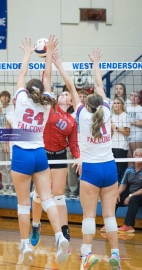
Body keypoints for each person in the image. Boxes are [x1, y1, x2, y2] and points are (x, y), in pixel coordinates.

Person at [52, 48, 121, 270]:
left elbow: (71, 87)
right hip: (109, 168)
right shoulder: (107, 112)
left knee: (89, 216)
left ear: (86, 104)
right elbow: (100, 86)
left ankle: (86, 256)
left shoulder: (81, 113)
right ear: (100, 104)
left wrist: (59, 65)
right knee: (109, 216)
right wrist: (96, 63)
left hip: (90, 170)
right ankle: (116, 255)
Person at [11, 36, 69, 266]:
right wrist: (50, 57)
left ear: (27, 90)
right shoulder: (47, 101)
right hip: (39, 154)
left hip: (21, 155)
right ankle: (58, 236)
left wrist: (27, 53)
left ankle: (25, 244)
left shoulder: (21, 98)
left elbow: (22, 74)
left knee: (24, 204)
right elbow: (48, 80)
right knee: (47, 199)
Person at [30, 88, 80, 247]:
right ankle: (36, 225)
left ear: (71, 102)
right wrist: (49, 62)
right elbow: (46, 82)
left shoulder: (72, 121)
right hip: (43, 154)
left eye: (67, 94)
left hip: (59, 156)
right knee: (38, 195)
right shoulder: (50, 107)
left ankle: (64, 233)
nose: (64, 95)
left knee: (59, 196)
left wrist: (79, 158)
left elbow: (73, 144)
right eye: (62, 94)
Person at [66, 89, 89, 199]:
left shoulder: (91, 113)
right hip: (73, 144)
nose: (82, 98)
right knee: (71, 168)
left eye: (85, 96)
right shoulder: (71, 114)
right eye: (80, 96)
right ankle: (73, 190)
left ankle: (86, 190)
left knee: (86, 168)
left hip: (86, 145)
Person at [0, 90, 14, 195]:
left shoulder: (11, 109)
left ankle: (11, 187)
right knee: (2, 165)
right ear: (0, 98)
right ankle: (5, 187)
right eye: (2, 96)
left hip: (8, 140)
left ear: (9, 98)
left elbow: (10, 126)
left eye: (6, 96)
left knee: (9, 164)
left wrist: (7, 142)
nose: (4, 98)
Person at [116, 148, 142, 233]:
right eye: (137, 155)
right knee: (114, 197)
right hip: (131, 194)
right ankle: (109, 224)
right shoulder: (129, 170)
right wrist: (117, 194)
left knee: (133, 199)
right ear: (133, 157)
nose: (138, 157)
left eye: (140, 155)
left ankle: (129, 225)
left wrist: (131, 196)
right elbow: (123, 185)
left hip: (139, 196)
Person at [111, 97, 130, 183]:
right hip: (113, 145)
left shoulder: (125, 116)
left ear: (122, 105)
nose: (116, 105)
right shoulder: (113, 116)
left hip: (121, 146)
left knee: (122, 168)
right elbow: (111, 133)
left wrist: (116, 127)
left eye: (118, 103)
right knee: (114, 169)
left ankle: (124, 190)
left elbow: (127, 132)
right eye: (115, 103)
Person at [126, 90, 142, 166]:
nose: (133, 97)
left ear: (139, 99)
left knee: (137, 156)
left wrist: (131, 122)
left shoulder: (140, 109)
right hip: (126, 135)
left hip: (136, 136)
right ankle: (131, 176)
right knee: (129, 158)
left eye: (135, 96)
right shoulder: (126, 109)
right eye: (131, 95)